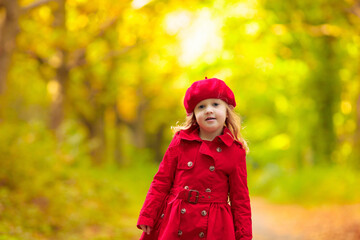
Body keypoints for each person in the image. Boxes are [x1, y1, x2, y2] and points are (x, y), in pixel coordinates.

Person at [137, 77, 252, 240]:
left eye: (215, 104)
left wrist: (244, 236)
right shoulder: (180, 142)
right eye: (201, 106)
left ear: (227, 111)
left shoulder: (235, 151)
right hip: (175, 221)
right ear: (194, 115)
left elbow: (240, 199)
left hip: (214, 227)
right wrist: (148, 215)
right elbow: (161, 181)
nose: (209, 110)